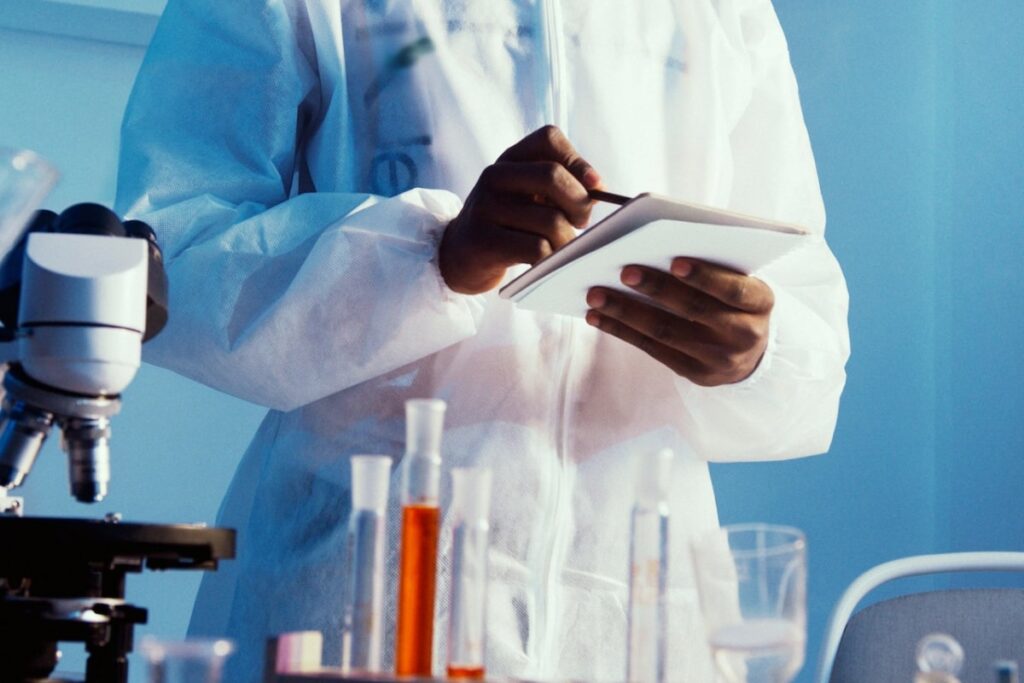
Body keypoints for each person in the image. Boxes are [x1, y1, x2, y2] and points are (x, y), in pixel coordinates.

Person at [116, 0, 850, 680]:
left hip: (635, 615)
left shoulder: (724, 11)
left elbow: (805, 315)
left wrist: (756, 349)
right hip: (364, 592)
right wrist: (433, 256)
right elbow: (170, 253)